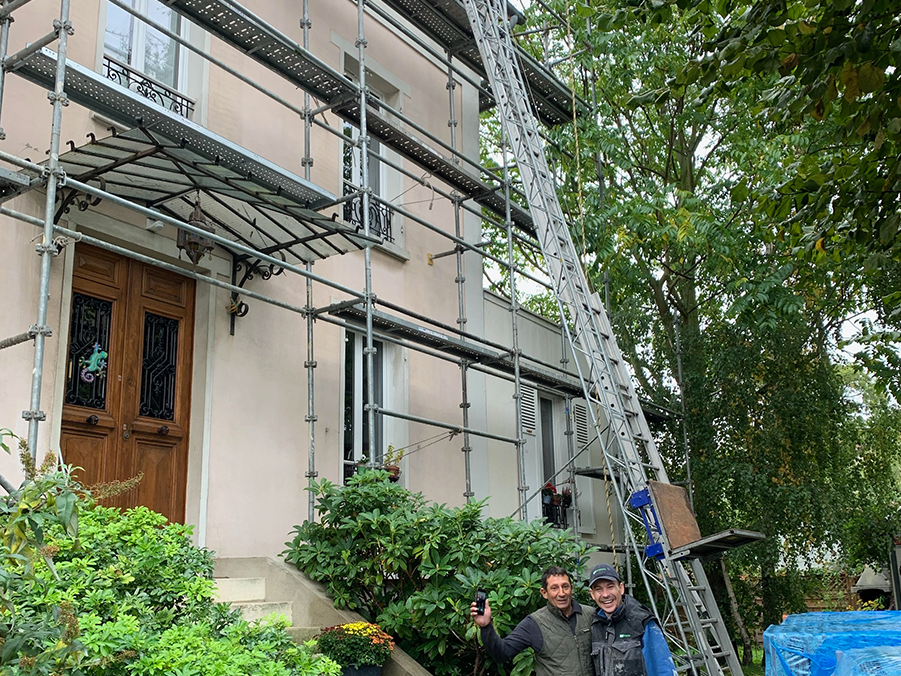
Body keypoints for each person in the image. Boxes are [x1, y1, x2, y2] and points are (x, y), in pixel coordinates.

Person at [470, 565, 592, 676]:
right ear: (544, 593)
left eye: (565, 587)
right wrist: (486, 626)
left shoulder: (590, 615)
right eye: (554, 588)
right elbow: (502, 652)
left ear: (571, 588)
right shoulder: (534, 623)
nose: (561, 593)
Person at [588, 563, 678, 676]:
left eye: (610, 587)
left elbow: (663, 669)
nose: (605, 594)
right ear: (592, 594)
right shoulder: (595, 625)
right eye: (599, 589)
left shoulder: (642, 622)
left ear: (621, 588)